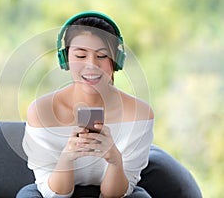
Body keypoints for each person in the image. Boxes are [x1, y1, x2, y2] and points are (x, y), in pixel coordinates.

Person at [17, 11, 202, 198]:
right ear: (65, 59)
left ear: (116, 61)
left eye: (102, 56)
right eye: (80, 56)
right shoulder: (41, 111)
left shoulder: (139, 114)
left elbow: (115, 194)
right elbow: (53, 194)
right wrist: (67, 157)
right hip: (53, 189)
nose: (91, 65)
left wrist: (115, 160)